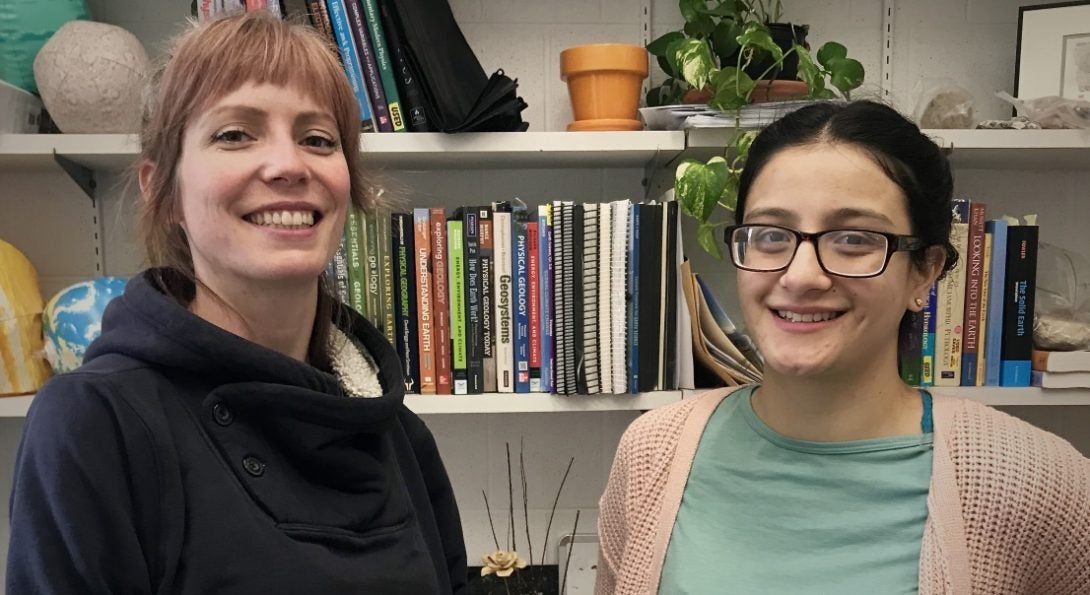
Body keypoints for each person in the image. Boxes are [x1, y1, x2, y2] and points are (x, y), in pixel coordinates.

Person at [8, 11, 467, 594]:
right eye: (235, 134)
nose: (288, 165)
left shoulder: (397, 432)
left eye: (318, 139)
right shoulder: (95, 424)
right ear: (163, 189)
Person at [596, 101, 1090, 594]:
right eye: (771, 235)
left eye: (854, 239)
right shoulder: (651, 453)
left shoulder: (1040, 480)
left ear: (925, 271)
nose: (801, 276)